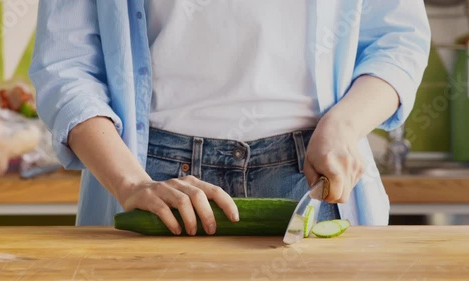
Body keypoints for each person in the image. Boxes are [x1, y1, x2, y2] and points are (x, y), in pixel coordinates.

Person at [29, 1, 430, 235]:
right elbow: (65, 63)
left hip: (309, 176)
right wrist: (130, 181)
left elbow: (397, 39)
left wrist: (344, 126)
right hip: (154, 181)